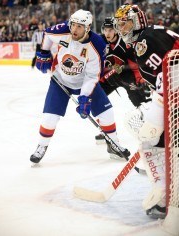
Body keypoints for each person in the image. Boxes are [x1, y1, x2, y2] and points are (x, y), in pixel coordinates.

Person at [30, 9, 130, 164]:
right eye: (73, 25)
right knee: (50, 117)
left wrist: (84, 98)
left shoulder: (97, 45)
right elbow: (47, 35)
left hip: (84, 81)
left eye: (79, 27)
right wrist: (43, 53)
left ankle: (114, 144)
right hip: (60, 80)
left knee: (107, 113)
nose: (74, 29)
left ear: (87, 28)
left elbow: (92, 76)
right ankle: (41, 146)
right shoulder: (63, 30)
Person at [114, 3, 179, 219]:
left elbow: (171, 70)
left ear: (138, 21)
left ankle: (163, 191)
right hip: (171, 97)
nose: (122, 30)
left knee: (144, 131)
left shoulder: (146, 41)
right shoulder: (151, 34)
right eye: (120, 26)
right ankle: (165, 188)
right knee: (154, 138)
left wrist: (158, 111)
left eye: (126, 24)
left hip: (173, 98)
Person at [95, 17, 151, 144]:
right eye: (105, 30)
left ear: (116, 30)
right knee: (97, 98)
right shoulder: (99, 42)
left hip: (126, 74)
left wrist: (139, 80)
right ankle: (106, 129)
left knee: (139, 98)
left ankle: (150, 124)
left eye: (110, 30)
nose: (107, 33)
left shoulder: (125, 43)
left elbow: (134, 64)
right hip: (108, 76)